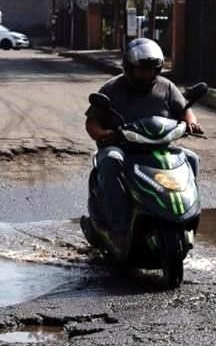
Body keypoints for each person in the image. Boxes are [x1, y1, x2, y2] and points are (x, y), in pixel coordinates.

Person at [84, 38, 202, 236]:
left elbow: (184, 111)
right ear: (129, 68)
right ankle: (117, 224)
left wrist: (191, 122)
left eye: (151, 69)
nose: (147, 73)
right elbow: (92, 123)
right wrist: (103, 134)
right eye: (142, 69)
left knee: (191, 159)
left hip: (159, 147)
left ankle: (186, 215)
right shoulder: (112, 88)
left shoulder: (167, 87)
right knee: (111, 161)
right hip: (122, 147)